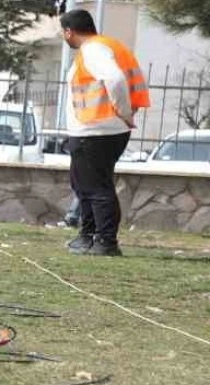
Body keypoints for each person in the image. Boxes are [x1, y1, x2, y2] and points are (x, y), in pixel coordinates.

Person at [60, 9, 150, 255]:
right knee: (85, 186)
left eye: (63, 32)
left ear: (69, 31)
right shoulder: (107, 46)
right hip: (97, 130)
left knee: (97, 188)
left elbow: (115, 79)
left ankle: (105, 241)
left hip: (97, 130)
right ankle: (87, 236)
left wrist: (123, 111)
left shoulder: (93, 50)